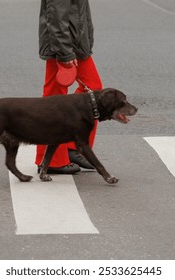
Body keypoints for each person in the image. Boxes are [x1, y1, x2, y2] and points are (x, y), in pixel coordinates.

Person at [35, 0, 103, 174]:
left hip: (74, 42)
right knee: (54, 99)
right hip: (64, 45)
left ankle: (72, 146)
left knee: (91, 90)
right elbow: (56, 15)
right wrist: (65, 53)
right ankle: (51, 160)